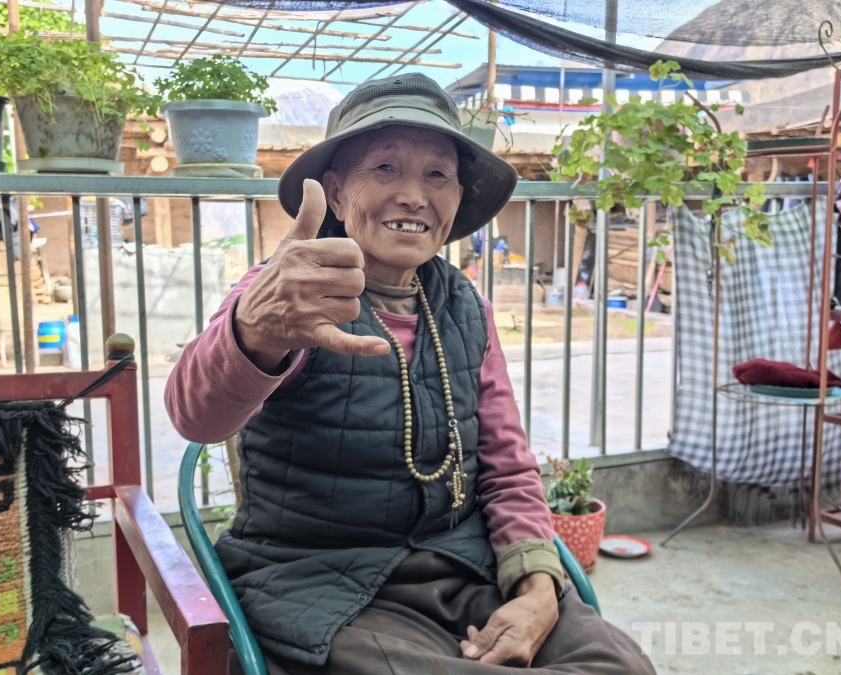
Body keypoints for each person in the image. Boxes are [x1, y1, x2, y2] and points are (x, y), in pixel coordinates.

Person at [166, 73, 655, 675]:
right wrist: (252, 331)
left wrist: (536, 591)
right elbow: (196, 417)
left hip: (465, 569)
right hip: (316, 585)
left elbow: (506, 464)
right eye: (385, 168)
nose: (413, 196)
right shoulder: (288, 291)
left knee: (618, 665)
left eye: (437, 175)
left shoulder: (467, 307)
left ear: (457, 198)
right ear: (336, 192)